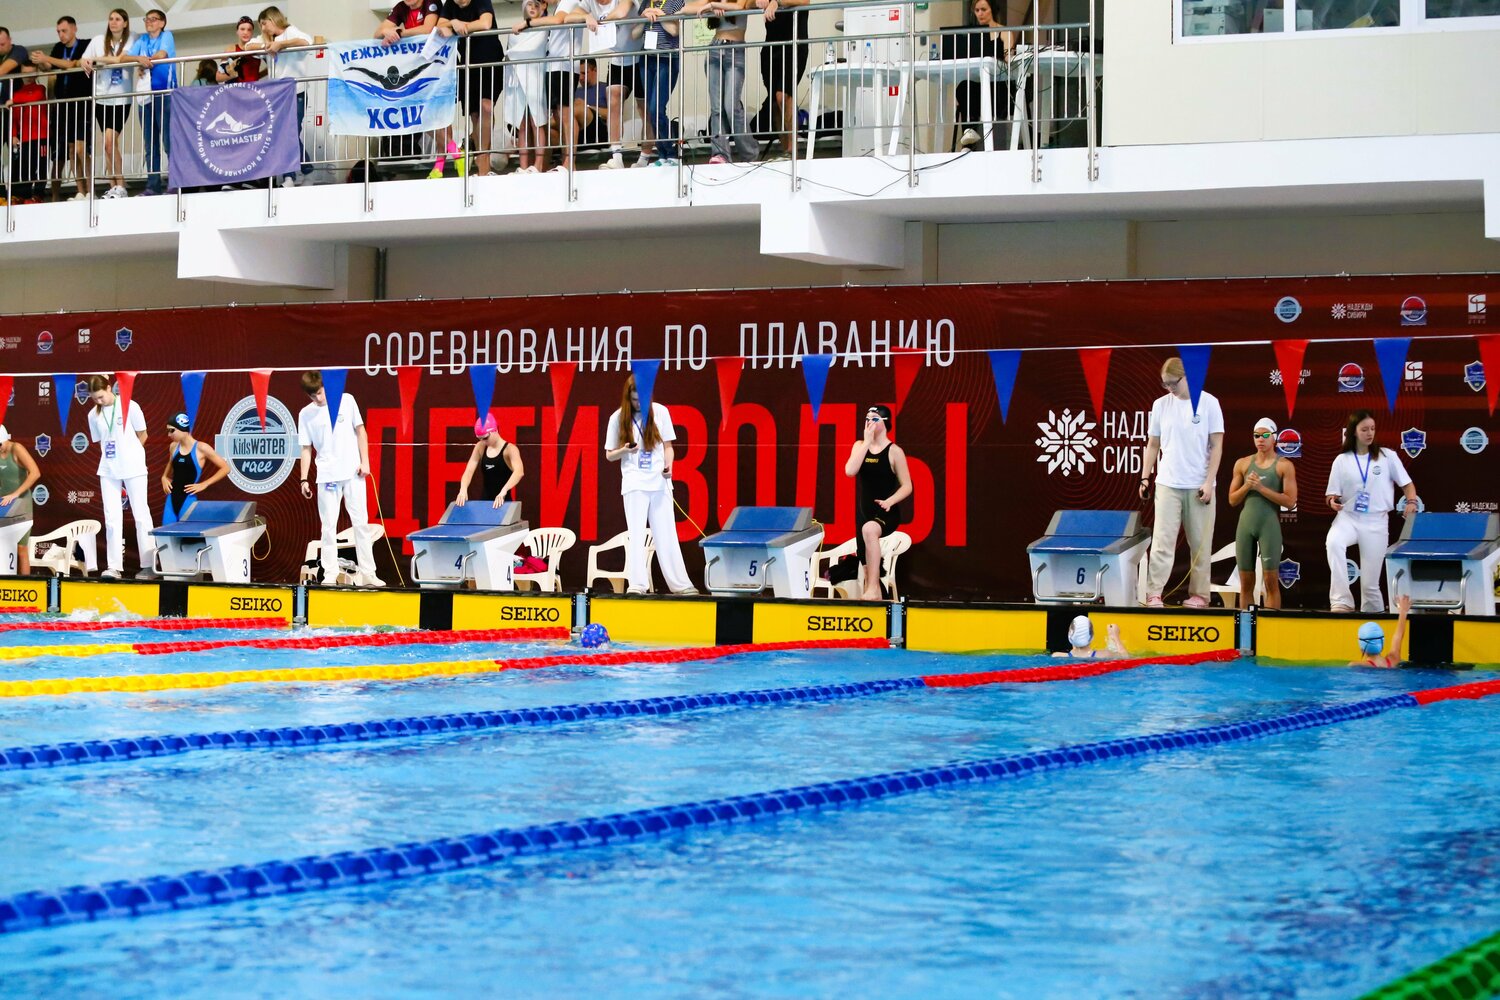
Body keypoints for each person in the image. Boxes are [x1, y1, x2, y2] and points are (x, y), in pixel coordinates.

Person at [1139, 357, 1224, 609]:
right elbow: (1152, 444)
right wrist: (1145, 477)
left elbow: (1217, 446)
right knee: (1162, 542)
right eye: (1164, 384)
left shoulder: (1209, 403)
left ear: (1186, 377)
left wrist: (1209, 482)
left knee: (1200, 545)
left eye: (1173, 383)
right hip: (1168, 483)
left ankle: (1200, 595)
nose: (1169, 389)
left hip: (1199, 485)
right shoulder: (1161, 405)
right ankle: (1154, 593)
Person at [604, 374, 697, 595]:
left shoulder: (661, 412)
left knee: (667, 534)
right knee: (636, 535)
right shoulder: (617, 418)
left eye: (642, 399)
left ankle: (680, 585)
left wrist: (668, 466)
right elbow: (609, 455)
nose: (639, 403)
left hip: (659, 483)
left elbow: (668, 447)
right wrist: (624, 450)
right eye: (634, 400)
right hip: (634, 483)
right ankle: (637, 585)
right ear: (628, 398)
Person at [1325, 409, 1416, 613]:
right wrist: (1332, 502)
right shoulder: (1342, 460)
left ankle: (1373, 613)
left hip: (1376, 521)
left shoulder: (1387, 456)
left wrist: (1411, 502)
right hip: (1348, 517)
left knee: (1369, 585)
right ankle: (1341, 601)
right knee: (1334, 542)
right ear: (1354, 432)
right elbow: (1331, 494)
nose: (1370, 433)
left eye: (1372, 429)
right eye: (1364, 429)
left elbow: (1407, 484)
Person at [297, 371, 382, 587]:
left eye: (320, 393)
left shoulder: (347, 400)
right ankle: (330, 573)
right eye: (313, 396)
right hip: (327, 476)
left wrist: (366, 461)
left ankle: (369, 573)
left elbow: (361, 431)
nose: (318, 398)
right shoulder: (305, 414)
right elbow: (306, 448)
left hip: (353, 473)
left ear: (326, 387)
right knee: (328, 527)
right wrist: (304, 479)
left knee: (360, 523)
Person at [86, 375, 157, 580]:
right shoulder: (93, 415)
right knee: (112, 518)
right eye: (94, 398)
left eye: (100, 396)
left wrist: (131, 454)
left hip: (134, 467)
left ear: (109, 388)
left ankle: (149, 566)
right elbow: (102, 441)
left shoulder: (130, 406)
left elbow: (143, 434)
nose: (98, 401)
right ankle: (113, 567)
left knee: (141, 515)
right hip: (108, 469)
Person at [842, 404, 913, 601]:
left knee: (870, 530)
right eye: (867, 419)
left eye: (874, 419)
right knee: (865, 563)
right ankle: (875, 596)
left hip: (886, 512)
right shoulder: (860, 446)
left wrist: (890, 501)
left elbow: (907, 485)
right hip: (863, 512)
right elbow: (849, 471)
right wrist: (866, 442)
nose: (869, 422)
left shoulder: (894, 451)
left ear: (885, 423)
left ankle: (873, 589)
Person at [1227, 417, 1298, 610]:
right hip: (1245, 525)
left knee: (1270, 581)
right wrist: (1247, 486)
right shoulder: (1242, 464)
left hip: (1269, 526)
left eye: (1265, 435)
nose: (1260, 439)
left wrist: (1260, 488)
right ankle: (1246, 627)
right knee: (1245, 583)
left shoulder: (1284, 465)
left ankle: (1271, 626)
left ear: (1274, 438)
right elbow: (1232, 499)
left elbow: (1290, 501)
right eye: (1256, 435)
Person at [562, 0, 642, 169]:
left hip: (641, 55)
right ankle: (616, 156)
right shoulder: (590, 2)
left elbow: (621, 12)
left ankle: (645, 157)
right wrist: (586, 16)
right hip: (619, 59)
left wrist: (599, 20)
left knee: (644, 108)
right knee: (613, 98)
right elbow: (569, 17)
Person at [30, 16, 93, 202]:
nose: (61, 35)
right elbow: (49, 67)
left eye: (64, 31)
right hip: (64, 104)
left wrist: (47, 58)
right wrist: (40, 60)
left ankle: (90, 190)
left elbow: (72, 63)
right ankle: (80, 191)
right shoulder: (58, 48)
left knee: (81, 149)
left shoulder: (85, 45)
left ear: (74, 29)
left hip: (81, 102)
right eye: (58, 31)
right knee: (71, 149)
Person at [438, 0, 502, 176]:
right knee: (474, 115)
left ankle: (484, 162)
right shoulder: (450, 5)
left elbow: (486, 23)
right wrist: (453, 22)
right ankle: (479, 158)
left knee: (486, 107)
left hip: (489, 57)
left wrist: (461, 26)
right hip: (468, 61)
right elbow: (440, 26)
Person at [689, 0, 757, 165]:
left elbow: (740, 6)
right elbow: (690, 7)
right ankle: (720, 153)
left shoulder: (720, 3)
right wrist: (664, 12)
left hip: (735, 50)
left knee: (731, 106)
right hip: (715, 48)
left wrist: (714, 6)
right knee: (717, 107)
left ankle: (749, 153)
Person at [252, 7, 313, 186]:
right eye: (261, 25)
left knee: (291, 132)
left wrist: (281, 45)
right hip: (277, 95)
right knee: (283, 133)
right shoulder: (266, 38)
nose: (263, 28)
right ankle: (302, 171)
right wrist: (266, 45)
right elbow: (248, 46)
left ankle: (291, 176)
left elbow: (306, 41)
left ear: (273, 19)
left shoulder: (290, 31)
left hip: (296, 91)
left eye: (264, 23)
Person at [80, 9, 136, 200]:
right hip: (102, 97)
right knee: (107, 145)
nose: (113, 22)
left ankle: (121, 185)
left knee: (110, 142)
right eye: (111, 19)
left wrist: (95, 59)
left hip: (121, 98)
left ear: (125, 23)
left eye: (118, 19)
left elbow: (118, 59)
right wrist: (84, 62)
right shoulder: (98, 40)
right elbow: (83, 59)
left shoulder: (131, 38)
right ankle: (113, 187)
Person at [127, 8, 176, 197]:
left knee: (168, 141)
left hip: (164, 92)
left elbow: (162, 54)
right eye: (146, 19)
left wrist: (144, 61)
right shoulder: (142, 40)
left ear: (162, 23)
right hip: (145, 95)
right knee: (150, 143)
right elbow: (124, 57)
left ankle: (174, 183)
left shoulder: (166, 35)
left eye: (153, 19)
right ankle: (153, 185)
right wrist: (138, 59)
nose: (149, 22)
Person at [951, 0, 1010, 150]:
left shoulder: (1004, 32)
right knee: (964, 87)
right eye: (977, 10)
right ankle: (969, 136)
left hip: (999, 87)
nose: (980, 14)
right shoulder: (972, 35)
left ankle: (970, 140)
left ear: (992, 10)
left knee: (971, 91)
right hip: (978, 85)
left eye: (983, 9)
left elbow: (1009, 59)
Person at [754, 0, 810, 160]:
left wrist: (776, 2)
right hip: (771, 46)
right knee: (774, 101)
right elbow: (747, 4)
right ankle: (785, 149)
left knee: (783, 96)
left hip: (794, 44)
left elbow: (805, 1)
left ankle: (792, 151)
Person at [508, 0, 556, 173]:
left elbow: (533, 48)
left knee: (537, 121)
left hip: (536, 76)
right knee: (522, 124)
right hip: (518, 78)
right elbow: (512, 52)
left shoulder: (543, 27)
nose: (533, 8)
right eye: (529, 5)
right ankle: (523, 166)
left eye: (536, 5)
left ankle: (538, 164)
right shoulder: (516, 30)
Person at [159, 412, 230, 526]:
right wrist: (164, 477)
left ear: (182, 429)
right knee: (166, 534)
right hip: (170, 500)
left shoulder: (202, 448)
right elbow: (171, 463)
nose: (169, 434)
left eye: (172, 430)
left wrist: (205, 484)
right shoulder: (173, 446)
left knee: (187, 534)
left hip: (188, 500)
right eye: (168, 431)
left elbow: (226, 468)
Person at [639, 0, 685, 167]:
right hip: (646, 59)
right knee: (651, 111)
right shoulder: (646, 3)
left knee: (656, 108)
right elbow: (634, 34)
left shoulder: (676, 2)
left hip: (667, 59)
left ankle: (672, 152)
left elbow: (674, 30)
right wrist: (643, 17)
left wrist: (660, 15)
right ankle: (662, 154)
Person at [456, 412, 524, 505]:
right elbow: (469, 471)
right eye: (480, 439)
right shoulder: (480, 447)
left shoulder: (510, 449)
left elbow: (519, 472)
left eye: (485, 438)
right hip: (484, 502)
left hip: (503, 502)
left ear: (495, 430)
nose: (483, 442)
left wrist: (504, 491)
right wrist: (463, 489)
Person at [0, 426, 41, 576]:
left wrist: (15, 494)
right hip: (2, 504)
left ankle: (26, 584)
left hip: (21, 502)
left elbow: (35, 473)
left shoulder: (16, 448)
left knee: (21, 547)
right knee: (3, 546)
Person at [5, 75, 49, 205]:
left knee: (40, 166)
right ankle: (23, 195)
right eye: (26, 74)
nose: (28, 77)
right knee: (25, 167)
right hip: (25, 137)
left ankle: (39, 195)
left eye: (31, 74)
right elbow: (13, 116)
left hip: (41, 135)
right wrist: (13, 134)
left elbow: (35, 97)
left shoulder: (40, 88)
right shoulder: (17, 94)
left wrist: (14, 100)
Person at [1349, 594, 1411, 668]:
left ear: (1362, 648)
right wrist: (1403, 612)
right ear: (1381, 643)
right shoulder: (1394, 659)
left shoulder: (1357, 665)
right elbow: (1398, 636)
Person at [571, 59, 609, 149]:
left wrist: (587, 107)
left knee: (578, 104)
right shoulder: (574, 92)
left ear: (595, 70)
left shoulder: (606, 88)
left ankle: (546, 124)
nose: (580, 77)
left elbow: (613, 114)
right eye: (578, 74)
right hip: (577, 132)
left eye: (584, 73)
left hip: (598, 132)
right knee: (551, 134)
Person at [1051, 615, 1128, 660]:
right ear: (1092, 636)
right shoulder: (1104, 655)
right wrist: (1115, 636)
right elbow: (1125, 657)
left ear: (1069, 636)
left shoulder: (1056, 656)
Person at [216, 16, 264, 84]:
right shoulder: (231, 49)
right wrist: (233, 75)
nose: (245, 32)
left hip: (252, 89)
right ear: (237, 31)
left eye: (249, 30)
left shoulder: (257, 47)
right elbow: (218, 77)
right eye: (242, 29)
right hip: (236, 89)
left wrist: (258, 76)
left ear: (252, 32)